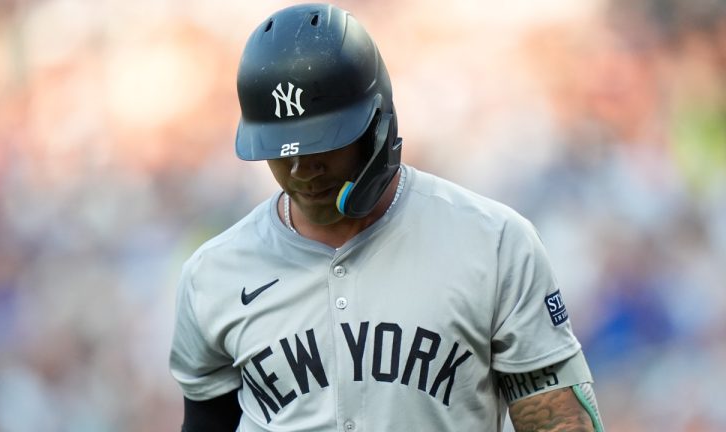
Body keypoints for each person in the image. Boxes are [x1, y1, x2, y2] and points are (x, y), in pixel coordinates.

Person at [169, 3, 605, 431]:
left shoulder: (494, 243)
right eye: (282, 151)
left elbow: (558, 419)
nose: (303, 169)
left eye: (321, 142)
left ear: (376, 125)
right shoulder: (213, 274)